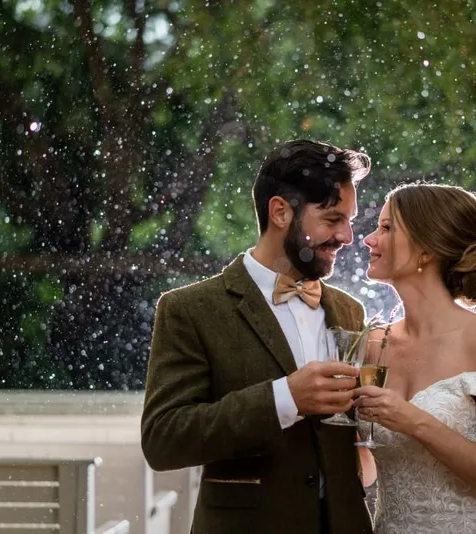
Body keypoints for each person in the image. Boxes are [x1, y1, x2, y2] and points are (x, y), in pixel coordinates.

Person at [141, 139, 374, 534]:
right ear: (280, 212)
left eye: (349, 220)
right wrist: (285, 398)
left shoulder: (350, 309)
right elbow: (164, 439)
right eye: (333, 219)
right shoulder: (190, 309)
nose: (347, 236)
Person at [354, 183, 476, 533]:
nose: (369, 239)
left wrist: (414, 422)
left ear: (426, 251)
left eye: (387, 228)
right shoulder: (371, 344)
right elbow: (366, 465)